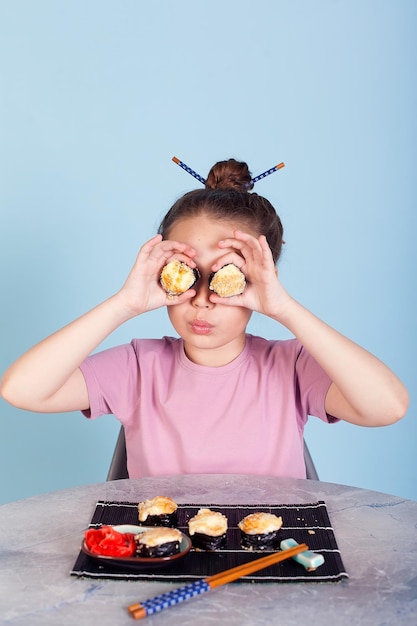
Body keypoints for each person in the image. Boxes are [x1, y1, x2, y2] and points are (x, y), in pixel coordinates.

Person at [0, 159, 409, 479]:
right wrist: (124, 303)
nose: (202, 300)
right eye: (185, 273)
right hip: (166, 560)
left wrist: (285, 307)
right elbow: (22, 390)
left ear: (260, 281)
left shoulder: (292, 368)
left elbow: (387, 407)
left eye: (226, 278)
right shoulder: (140, 368)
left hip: (267, 572)